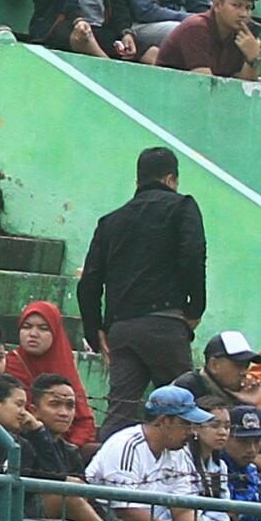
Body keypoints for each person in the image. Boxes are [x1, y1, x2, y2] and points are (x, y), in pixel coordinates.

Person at [76, 146, 205, 425]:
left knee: (119, 414)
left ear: (137, 183)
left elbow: (89, 282)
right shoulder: (182, 207)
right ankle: (188, 468)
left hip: (122, 330)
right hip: (166, 324)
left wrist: (94, 330)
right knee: (185, 409)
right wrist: (195, 309)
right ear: (172, 180)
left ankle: (105, 467)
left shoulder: (110, 221)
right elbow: (193, 256)